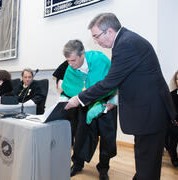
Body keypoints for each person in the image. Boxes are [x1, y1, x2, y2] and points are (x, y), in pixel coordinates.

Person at [64, 13, 176, 180]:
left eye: (96, 36)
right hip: (147, 112)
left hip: (149, 113)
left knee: (147, 164)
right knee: (146, 160)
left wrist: (79, 98)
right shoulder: (126, 41)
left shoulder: (126, 44)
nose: (96, 42)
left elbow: (110, 82)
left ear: (109, 31)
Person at [57, 40, 117, 180]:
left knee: (107, 138)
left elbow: (114, 82)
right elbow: (67, 89)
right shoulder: (70, 68)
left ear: (82, 54)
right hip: (84, 104)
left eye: (73, 60)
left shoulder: (99, 60)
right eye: (68, 61)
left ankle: (103, 168)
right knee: (81, 136)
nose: (70, 64)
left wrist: (113, 101)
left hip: (106, 103)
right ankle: (77, 164)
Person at [165, 70, 178, 167]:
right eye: (177, 79)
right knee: (172, 134)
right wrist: (174, 120)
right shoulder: (172, 94)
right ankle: (174, 158)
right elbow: (170, 110)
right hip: (175, 123)